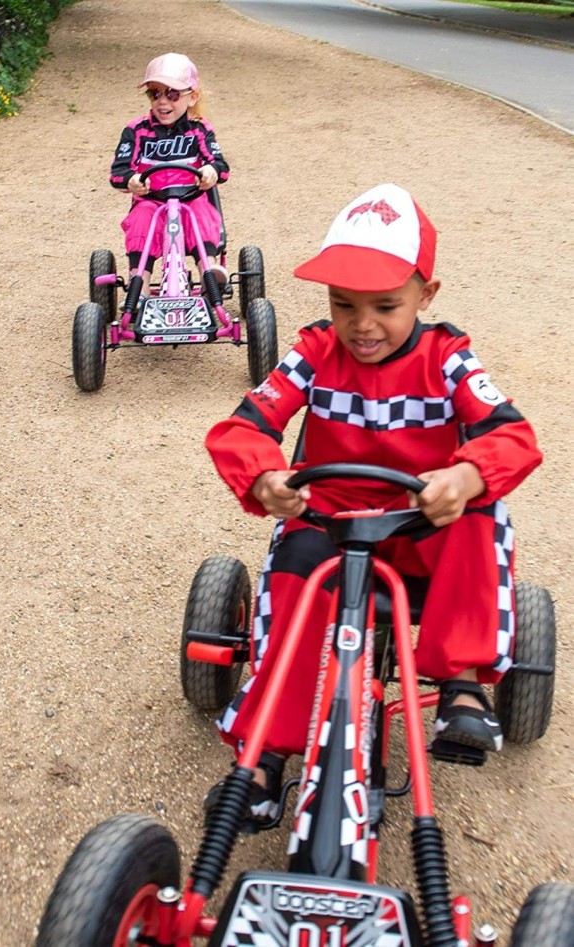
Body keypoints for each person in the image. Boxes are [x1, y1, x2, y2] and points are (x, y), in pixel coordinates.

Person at [204, 183, 542, 828]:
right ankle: (265, 757)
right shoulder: (313, 352)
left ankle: (462, 684)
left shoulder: (448, 360)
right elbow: (242, 428)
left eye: (386, 305)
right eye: (343, 304)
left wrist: (467, 474)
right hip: (332, 519)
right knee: (290, 573)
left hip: (422, 523)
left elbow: (512, 436)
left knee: (481, 513)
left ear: (427, 294)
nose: (362, 325)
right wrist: (267, 478)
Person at [109, 52, 229, 299]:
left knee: (203, 213)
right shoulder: (137, 130)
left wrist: (210, 171)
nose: (163, 101)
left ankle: (208, 271)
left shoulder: (199, 129)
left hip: (190, 198)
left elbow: (220, 165)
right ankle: (138, 283)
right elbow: (118, 173)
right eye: (155, 93)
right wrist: (132, 180)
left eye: (172, 94)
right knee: (140, 220)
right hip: (151, 200)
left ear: (192, 97)